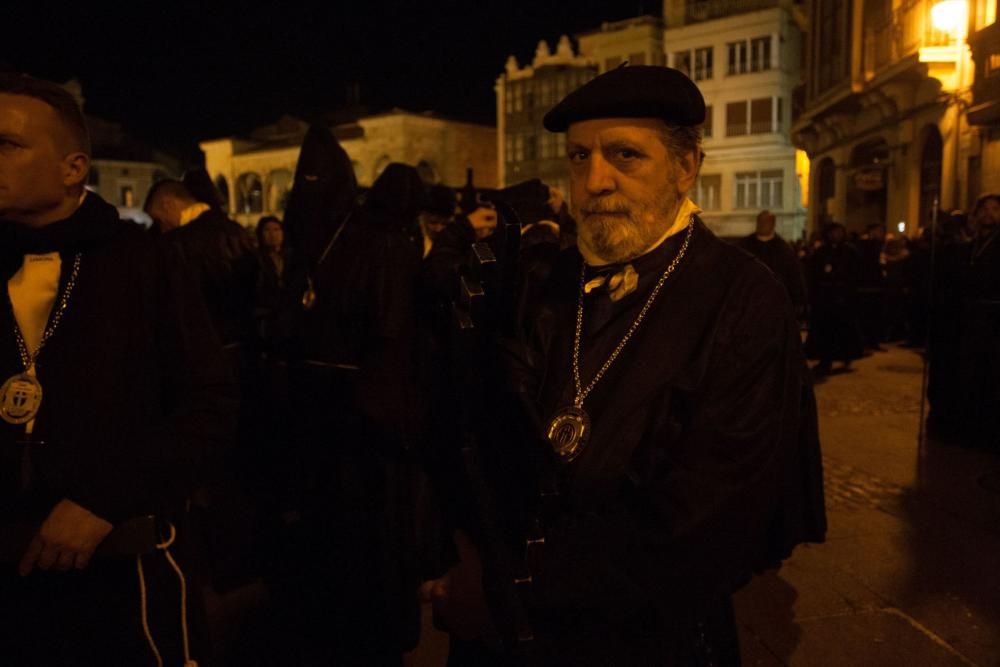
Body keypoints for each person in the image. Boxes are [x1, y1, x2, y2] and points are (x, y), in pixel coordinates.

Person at [426, 65, 825, 665]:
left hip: (643, 637)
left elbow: (709, 520)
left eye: (624, 156)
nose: (595, 181)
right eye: (579, 156)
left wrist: (518, 592)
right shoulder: (547, 280)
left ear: (685, 167)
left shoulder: (742, 298)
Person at [0, 73, 235, 665]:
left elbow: (209, 407)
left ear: (72, 167)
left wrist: (104, 501)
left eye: (6, 144)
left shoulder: (146, 264)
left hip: (117, 569)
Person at [804, 222, 865, 375]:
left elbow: (855, 274)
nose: (836, 235)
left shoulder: (850, 252)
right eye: (833, 232)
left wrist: (848, 292)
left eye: (839, 232)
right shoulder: (820, 252)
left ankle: (846, 357)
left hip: (843, 298)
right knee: (825, 331)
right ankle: (826, 360)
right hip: (825, 299)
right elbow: (813, 275)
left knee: (844, 330)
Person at [737, 209, 808, 319]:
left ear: (773, 224)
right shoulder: (744, 246)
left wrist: (798, 301)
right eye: (761, 221)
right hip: (750, 302)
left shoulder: (784, 249)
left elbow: (794, 276)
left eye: (766, 221)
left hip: (775, 304)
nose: (763, 224)